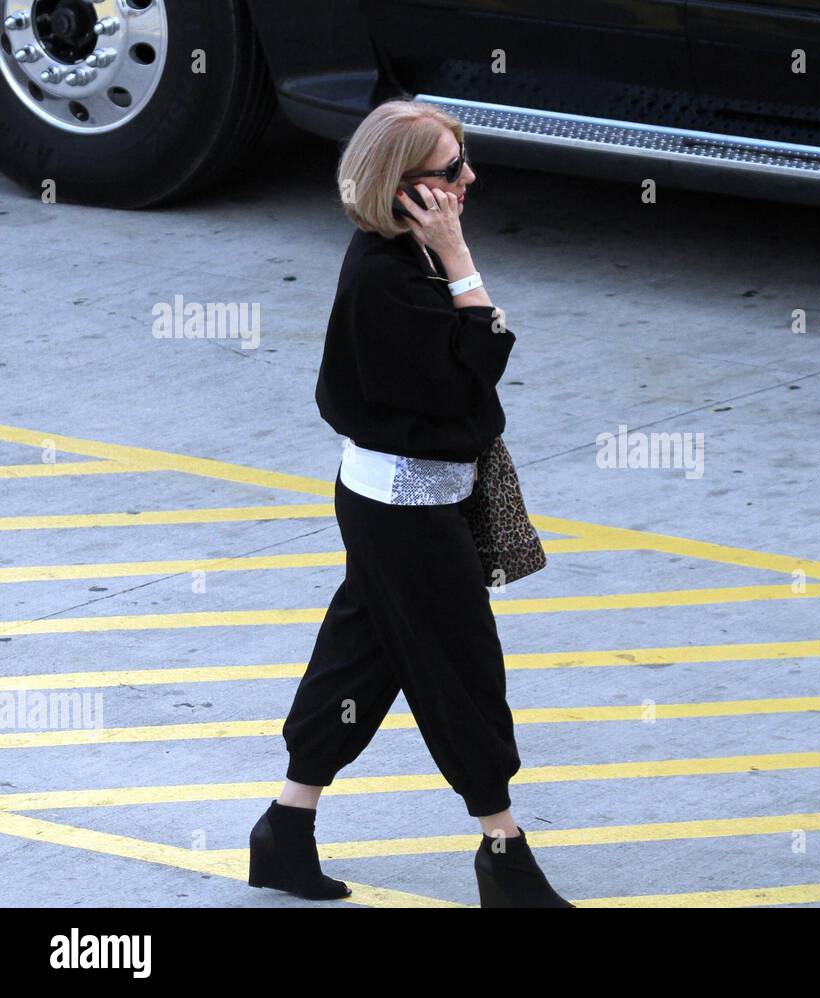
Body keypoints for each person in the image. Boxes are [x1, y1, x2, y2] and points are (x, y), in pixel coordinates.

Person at [247, 99, 572, 908]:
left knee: (365, 655)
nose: (470, 180)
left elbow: (474, 357)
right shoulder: (390, 278)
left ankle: (285, 829)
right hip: (406, 513)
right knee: (461, 666)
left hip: (401, 503)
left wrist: (452, 261)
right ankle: (504, 848)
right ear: (405, 189)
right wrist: (462, 258)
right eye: (451, 171)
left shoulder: (403, 257)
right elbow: (479, 361)